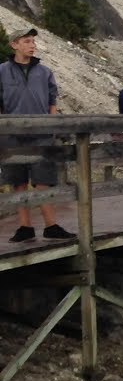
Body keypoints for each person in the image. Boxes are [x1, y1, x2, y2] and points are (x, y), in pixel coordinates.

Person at [1, 27, 68, 242]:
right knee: (18, 182)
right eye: (27, 41)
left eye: (33, 41)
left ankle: (51, 225)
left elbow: (52, 101)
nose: (32, 45)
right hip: (12, 135)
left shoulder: (45, 72)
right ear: (15, 44)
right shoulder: (2, 71)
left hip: (41, 134)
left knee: (43, 181)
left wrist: (52, 126)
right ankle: (25, 227)